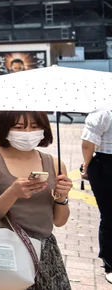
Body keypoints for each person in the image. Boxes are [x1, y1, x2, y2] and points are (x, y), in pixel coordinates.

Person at [0, 111, 72, 289]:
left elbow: (60, 220)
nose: (27, 133)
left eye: (34, 126)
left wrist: (62, 197)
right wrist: (13, 193)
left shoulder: (55, 164)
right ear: (4, 129)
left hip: (45, 253)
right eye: (18, 127)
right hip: (3, 251)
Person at [81, 109, 112, 284]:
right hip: (106, 164)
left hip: (105, 164)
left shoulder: (103, 111)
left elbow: (88, 143)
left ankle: (110, 264)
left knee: (109, 215)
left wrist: (87, 164)